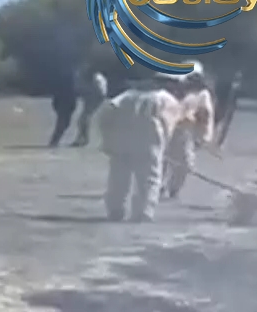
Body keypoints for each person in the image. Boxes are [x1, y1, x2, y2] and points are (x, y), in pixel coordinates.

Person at [98, 68, 182, 223]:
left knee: (118, 178)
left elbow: (105, 116)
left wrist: (107, 139)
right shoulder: (166, 99)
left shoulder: (125, 96)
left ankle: (115, 210)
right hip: (149, 143)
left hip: (121, 143)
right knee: (149, 179)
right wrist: (164, 146)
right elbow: (168, 124)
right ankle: (144, 212)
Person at [164, 63, 215, 201]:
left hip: (184, 130)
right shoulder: (173, 90)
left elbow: (204, 115)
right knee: (163, 159)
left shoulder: (201, 95)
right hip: (167, 128)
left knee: (184, 164)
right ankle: (159, 187)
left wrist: (202, 135)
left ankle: (172, 188)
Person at [73, 68, 108, 147]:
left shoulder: (96, 79)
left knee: (83, 119)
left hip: (94, 98)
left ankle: (83, 139)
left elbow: (100, 93)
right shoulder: (97, 77)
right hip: (91, 98)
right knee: (83, 119)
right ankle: (83, 138)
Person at [49, 68, 79, 148]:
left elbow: (57, 96)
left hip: (65, 104)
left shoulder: (67, 85)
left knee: (64, 123)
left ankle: (54, 140)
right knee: (63, 123)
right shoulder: (68, 85)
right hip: (65, 104)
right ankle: (54, 141)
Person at [213, 68, 243, 148]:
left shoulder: (236, 86)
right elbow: (217, 92)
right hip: (222, 103)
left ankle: (220, 142)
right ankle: (206, 138)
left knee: (225, 124)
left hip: (230, 105)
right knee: (215, 121)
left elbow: (236, 96)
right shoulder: (223, 82)